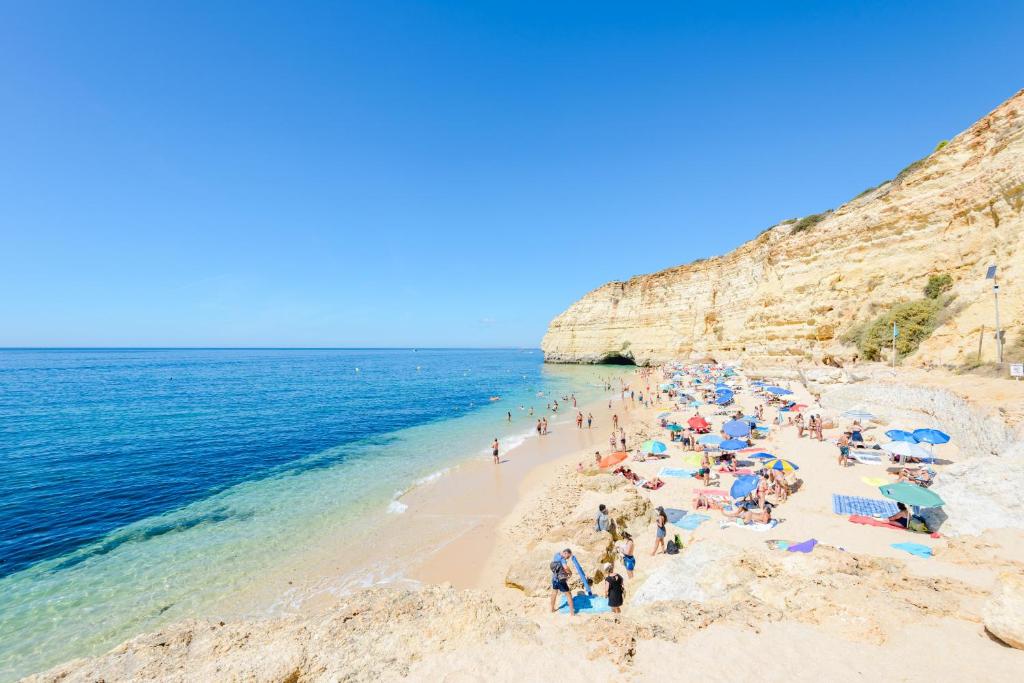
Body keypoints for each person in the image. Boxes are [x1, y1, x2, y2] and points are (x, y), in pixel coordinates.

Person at [549, 549, 575, 615]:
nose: (567, 558)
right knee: (568, 594)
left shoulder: (556, 554)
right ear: (565, 553)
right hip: (561, 580)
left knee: (554, 592)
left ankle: (552, 609)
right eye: (568, 557)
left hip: (554, 578)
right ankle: (572, 613)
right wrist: (570, 572)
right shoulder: (563, 559)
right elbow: (565, 567)